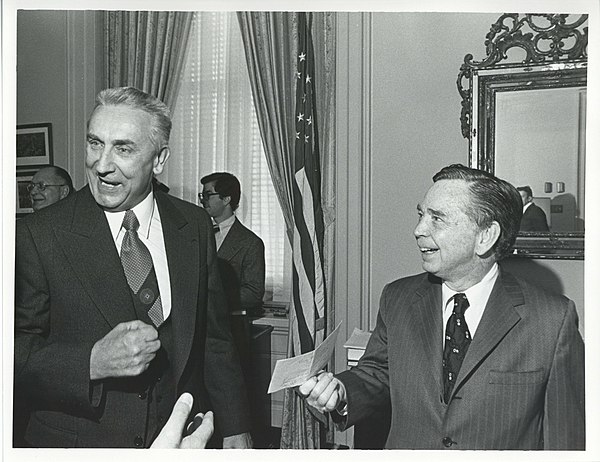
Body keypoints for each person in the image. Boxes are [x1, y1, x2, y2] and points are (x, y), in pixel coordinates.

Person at [14, 87, 252, 448]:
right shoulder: (38, 234)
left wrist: (235, 426)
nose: (102, 164)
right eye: (95, 143)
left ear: (159, 160)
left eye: (123, 148)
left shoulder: (195, 226)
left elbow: (214, 339)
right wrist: (91, 362)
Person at [299, 164, 584, 450]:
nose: (418, 229)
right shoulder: (397, 298)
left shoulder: (552, 320)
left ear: (485, 236)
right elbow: (378, 372)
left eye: (438, 218)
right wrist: (342, 390)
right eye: (422, 215)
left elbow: (566, 437)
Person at [199, 172, 265, 315]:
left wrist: (210, 298)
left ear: (226, 199)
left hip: (227, 326)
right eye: (202, 196)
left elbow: (253, 294)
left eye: (208, 195)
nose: (202, 200)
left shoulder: (251, 243)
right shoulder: (196, 234)